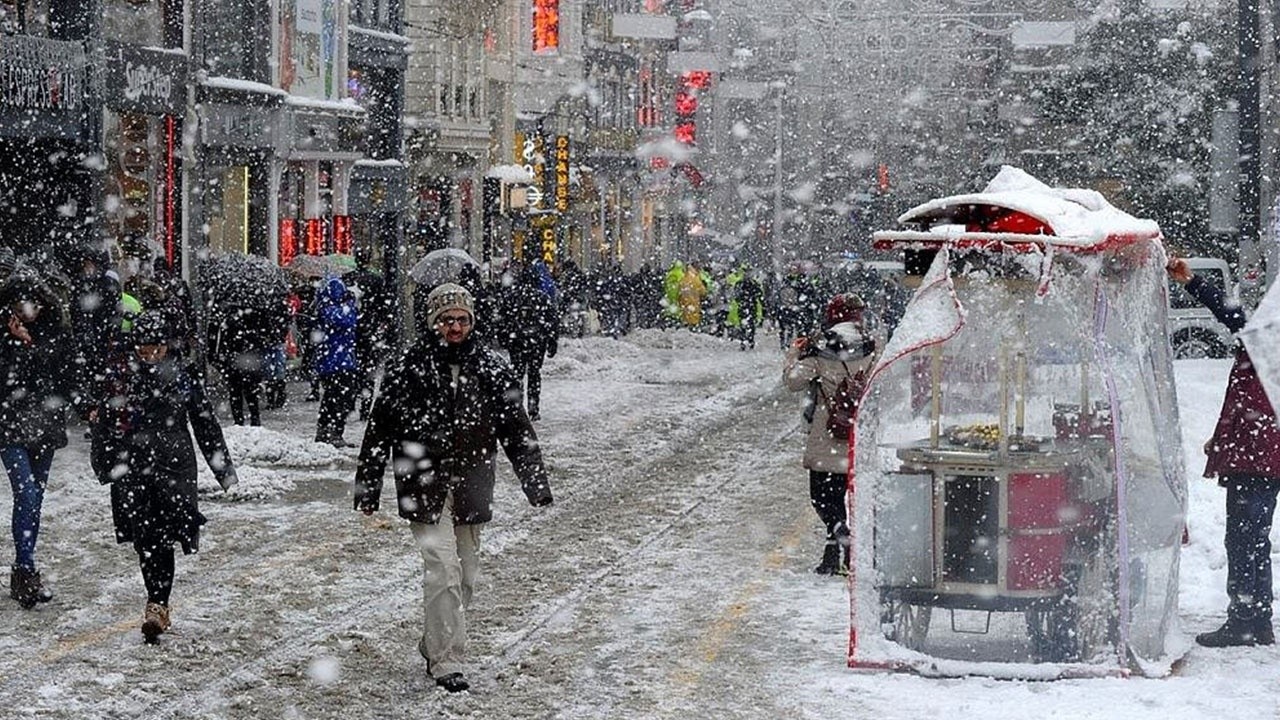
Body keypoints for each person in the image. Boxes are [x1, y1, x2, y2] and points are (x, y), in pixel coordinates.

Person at [354, 282, 553, 693]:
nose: (455, 327)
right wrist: (367, 486)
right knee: (442, 569)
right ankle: (445, 659)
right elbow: (379, 428)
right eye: (447, 320)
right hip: (422, 482)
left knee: (466, 574)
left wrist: (536, 483)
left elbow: (516, 430)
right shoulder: (409, 366)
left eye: (462, 319)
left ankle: (434, 640)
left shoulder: (492, 369)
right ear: (433, 323)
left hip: (472, 483)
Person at [91, 311, 237, 642]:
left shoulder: (184, 375)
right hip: (134, 465)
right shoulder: (122, 378)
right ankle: (155, 600)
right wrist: (104, 462)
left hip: (174, 465)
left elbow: (204, 422)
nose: (150, 356)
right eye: (143, 350)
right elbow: (104, 422)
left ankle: (158, 604)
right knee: (144, 538)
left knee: (165, 533)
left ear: (166, 346)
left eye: (155, 349)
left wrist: (223, 470)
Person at [1168, 256, 1279, 647]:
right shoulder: (1265, 345)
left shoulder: (1269, 346)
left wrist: (1193, 283)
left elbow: (1235, 319)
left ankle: (1243, 620)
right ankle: (1258, 620)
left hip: (1258, 459)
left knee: (1243, 539)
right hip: (1260, 456)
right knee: (1256, 538)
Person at [782, 293, 878, 575]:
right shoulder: (870, 346)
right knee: (838, 494)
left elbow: (793, 382)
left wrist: (793, 354)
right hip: (854, 431)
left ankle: (842, 537)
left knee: (821, 497)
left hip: (827, 428)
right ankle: (832, 555)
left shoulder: (821, 347)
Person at [1, 270, 71, 607]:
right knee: (26, 494)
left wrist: (30, 344)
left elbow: (62, 375)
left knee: (35, 499)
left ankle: (24, 569)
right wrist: (16, 345)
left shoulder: (55, 333)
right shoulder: (3, 338)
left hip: (44, 426)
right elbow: (9, 382)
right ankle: (25, 569)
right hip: (11, 426)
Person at [498, 265, 559, 421]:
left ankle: (517, 407)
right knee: (534, 374)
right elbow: (552, 321)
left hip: (517, 341)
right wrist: (552, 341)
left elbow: (502, 320)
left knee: (516, 374)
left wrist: (504, 337)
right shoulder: (542, 298)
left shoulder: (512, 297)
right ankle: (533, 407)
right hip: (536, 343)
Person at [313, 276, 359, 446]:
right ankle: (333, 432)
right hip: (338, 363)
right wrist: (351, 304)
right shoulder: (331, 311)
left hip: (335, 362)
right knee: (339, 399)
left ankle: (326, 431)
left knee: (332, 399)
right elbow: (348, 320)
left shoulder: (324, 308)